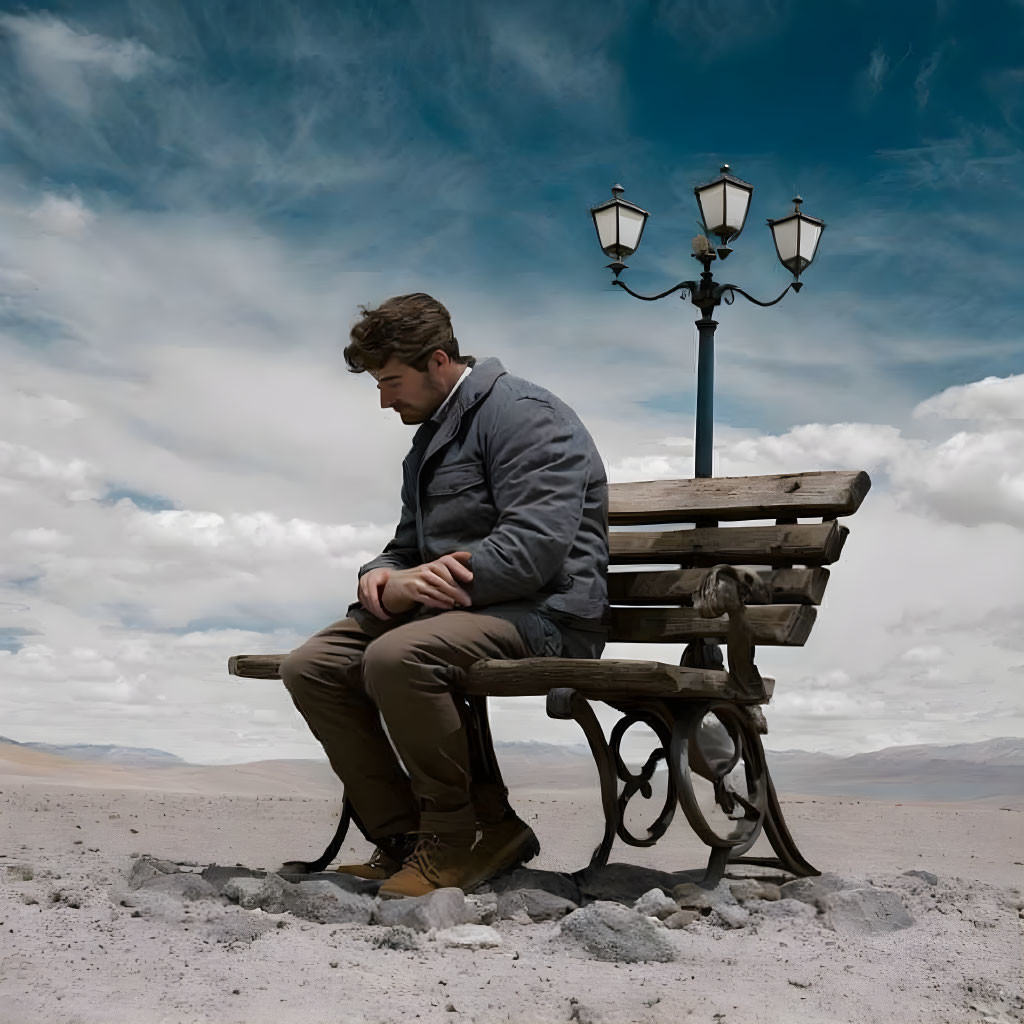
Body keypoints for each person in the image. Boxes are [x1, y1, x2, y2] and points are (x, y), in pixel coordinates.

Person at [279, 292, 609, 898]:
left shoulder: (525, 415)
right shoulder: (432, 437)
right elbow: (407, 544)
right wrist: (382, 574)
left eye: (391, 381)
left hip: (545, 614)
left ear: (438, 361)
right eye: (377, 384)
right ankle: (404, 840)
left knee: (397, 656)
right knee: (312, 666)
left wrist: (411, 593)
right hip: (454, 613)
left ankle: (460, 839)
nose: (383, 399)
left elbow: (532, 551)